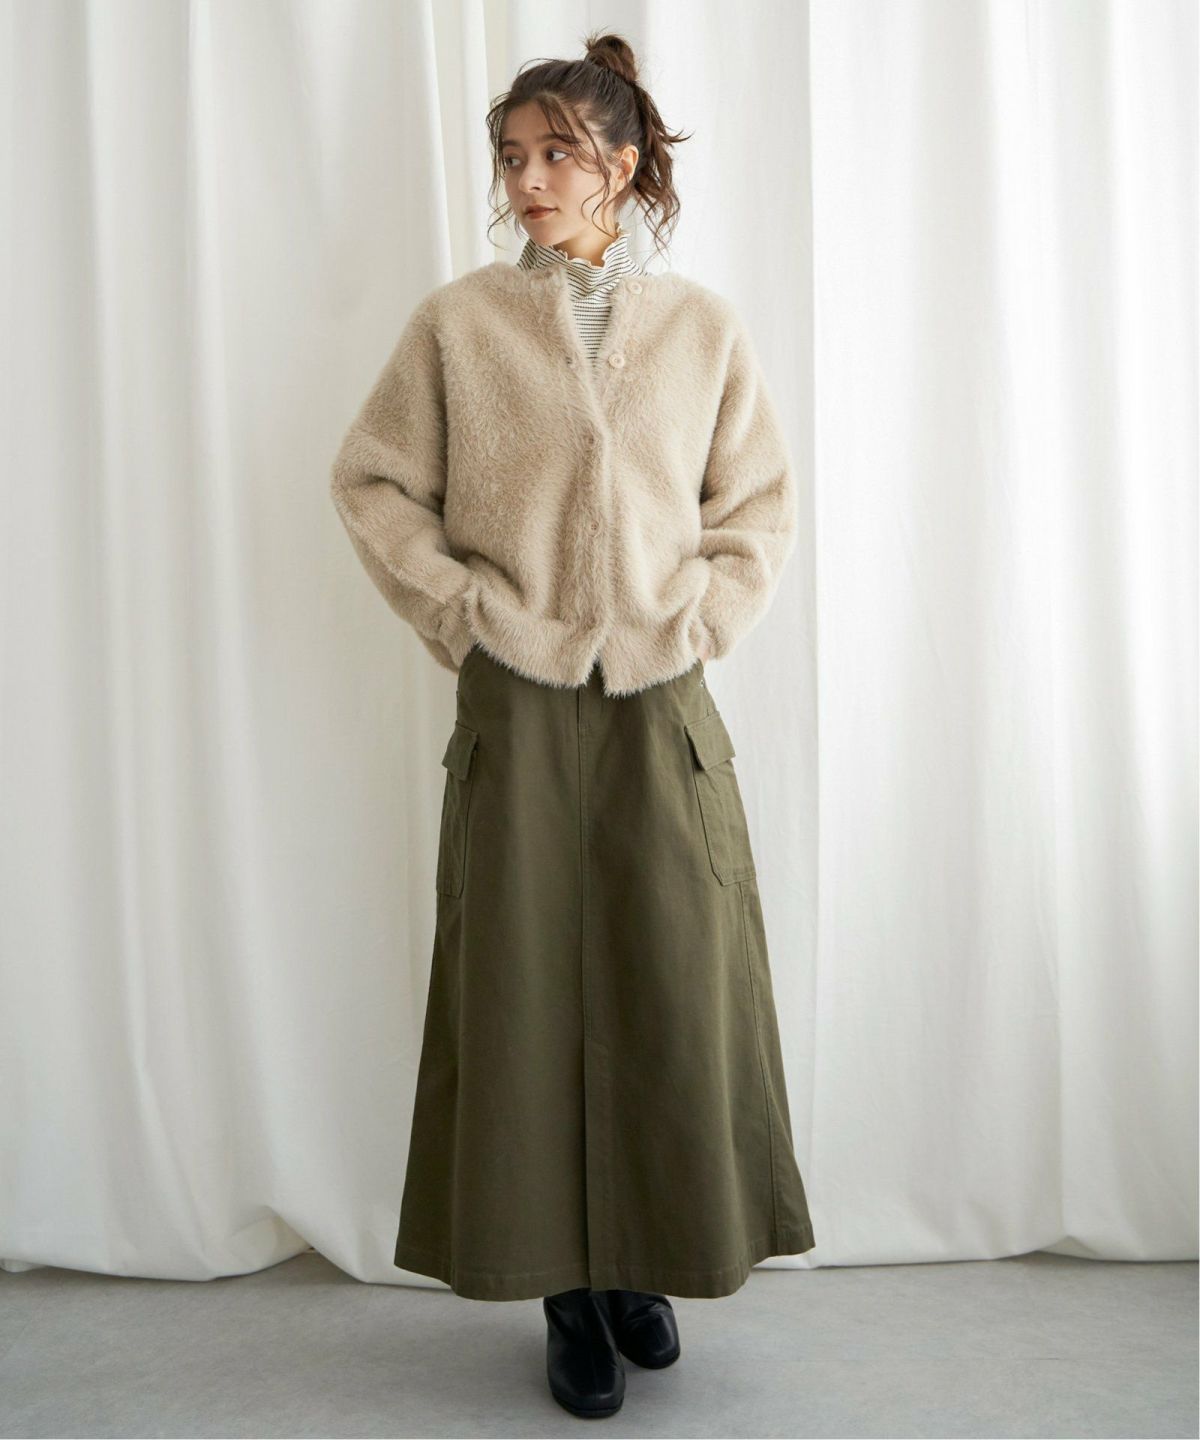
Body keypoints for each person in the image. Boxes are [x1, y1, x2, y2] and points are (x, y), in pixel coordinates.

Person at [330, 30, 816, 1421]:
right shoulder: (460, 326)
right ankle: (566, 1297)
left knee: (673, 982)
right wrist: (465, 613)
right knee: (526, 991)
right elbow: (373, 482)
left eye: (557, 153)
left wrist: (701, 616)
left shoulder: (701, 331)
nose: (529, 180)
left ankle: (645, 1268)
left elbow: (756, 508)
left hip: (664, 705)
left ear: (625, 163)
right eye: (512, 157)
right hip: (518, 701)